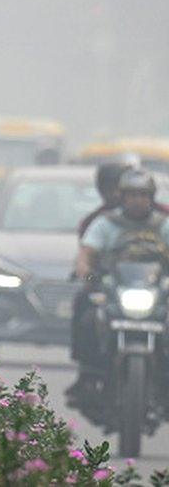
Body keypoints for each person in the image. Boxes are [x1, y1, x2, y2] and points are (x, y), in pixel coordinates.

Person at [69, 169, 169, 397]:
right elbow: (86, 255)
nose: (137, 200)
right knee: (85, 311)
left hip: (158, 293)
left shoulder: (163, 224)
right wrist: (88, 275)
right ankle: (89, 371)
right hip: (113, 291)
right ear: (122, 197)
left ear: (151, 198)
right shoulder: (105, 224)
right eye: (132, 195)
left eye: (143, 195)